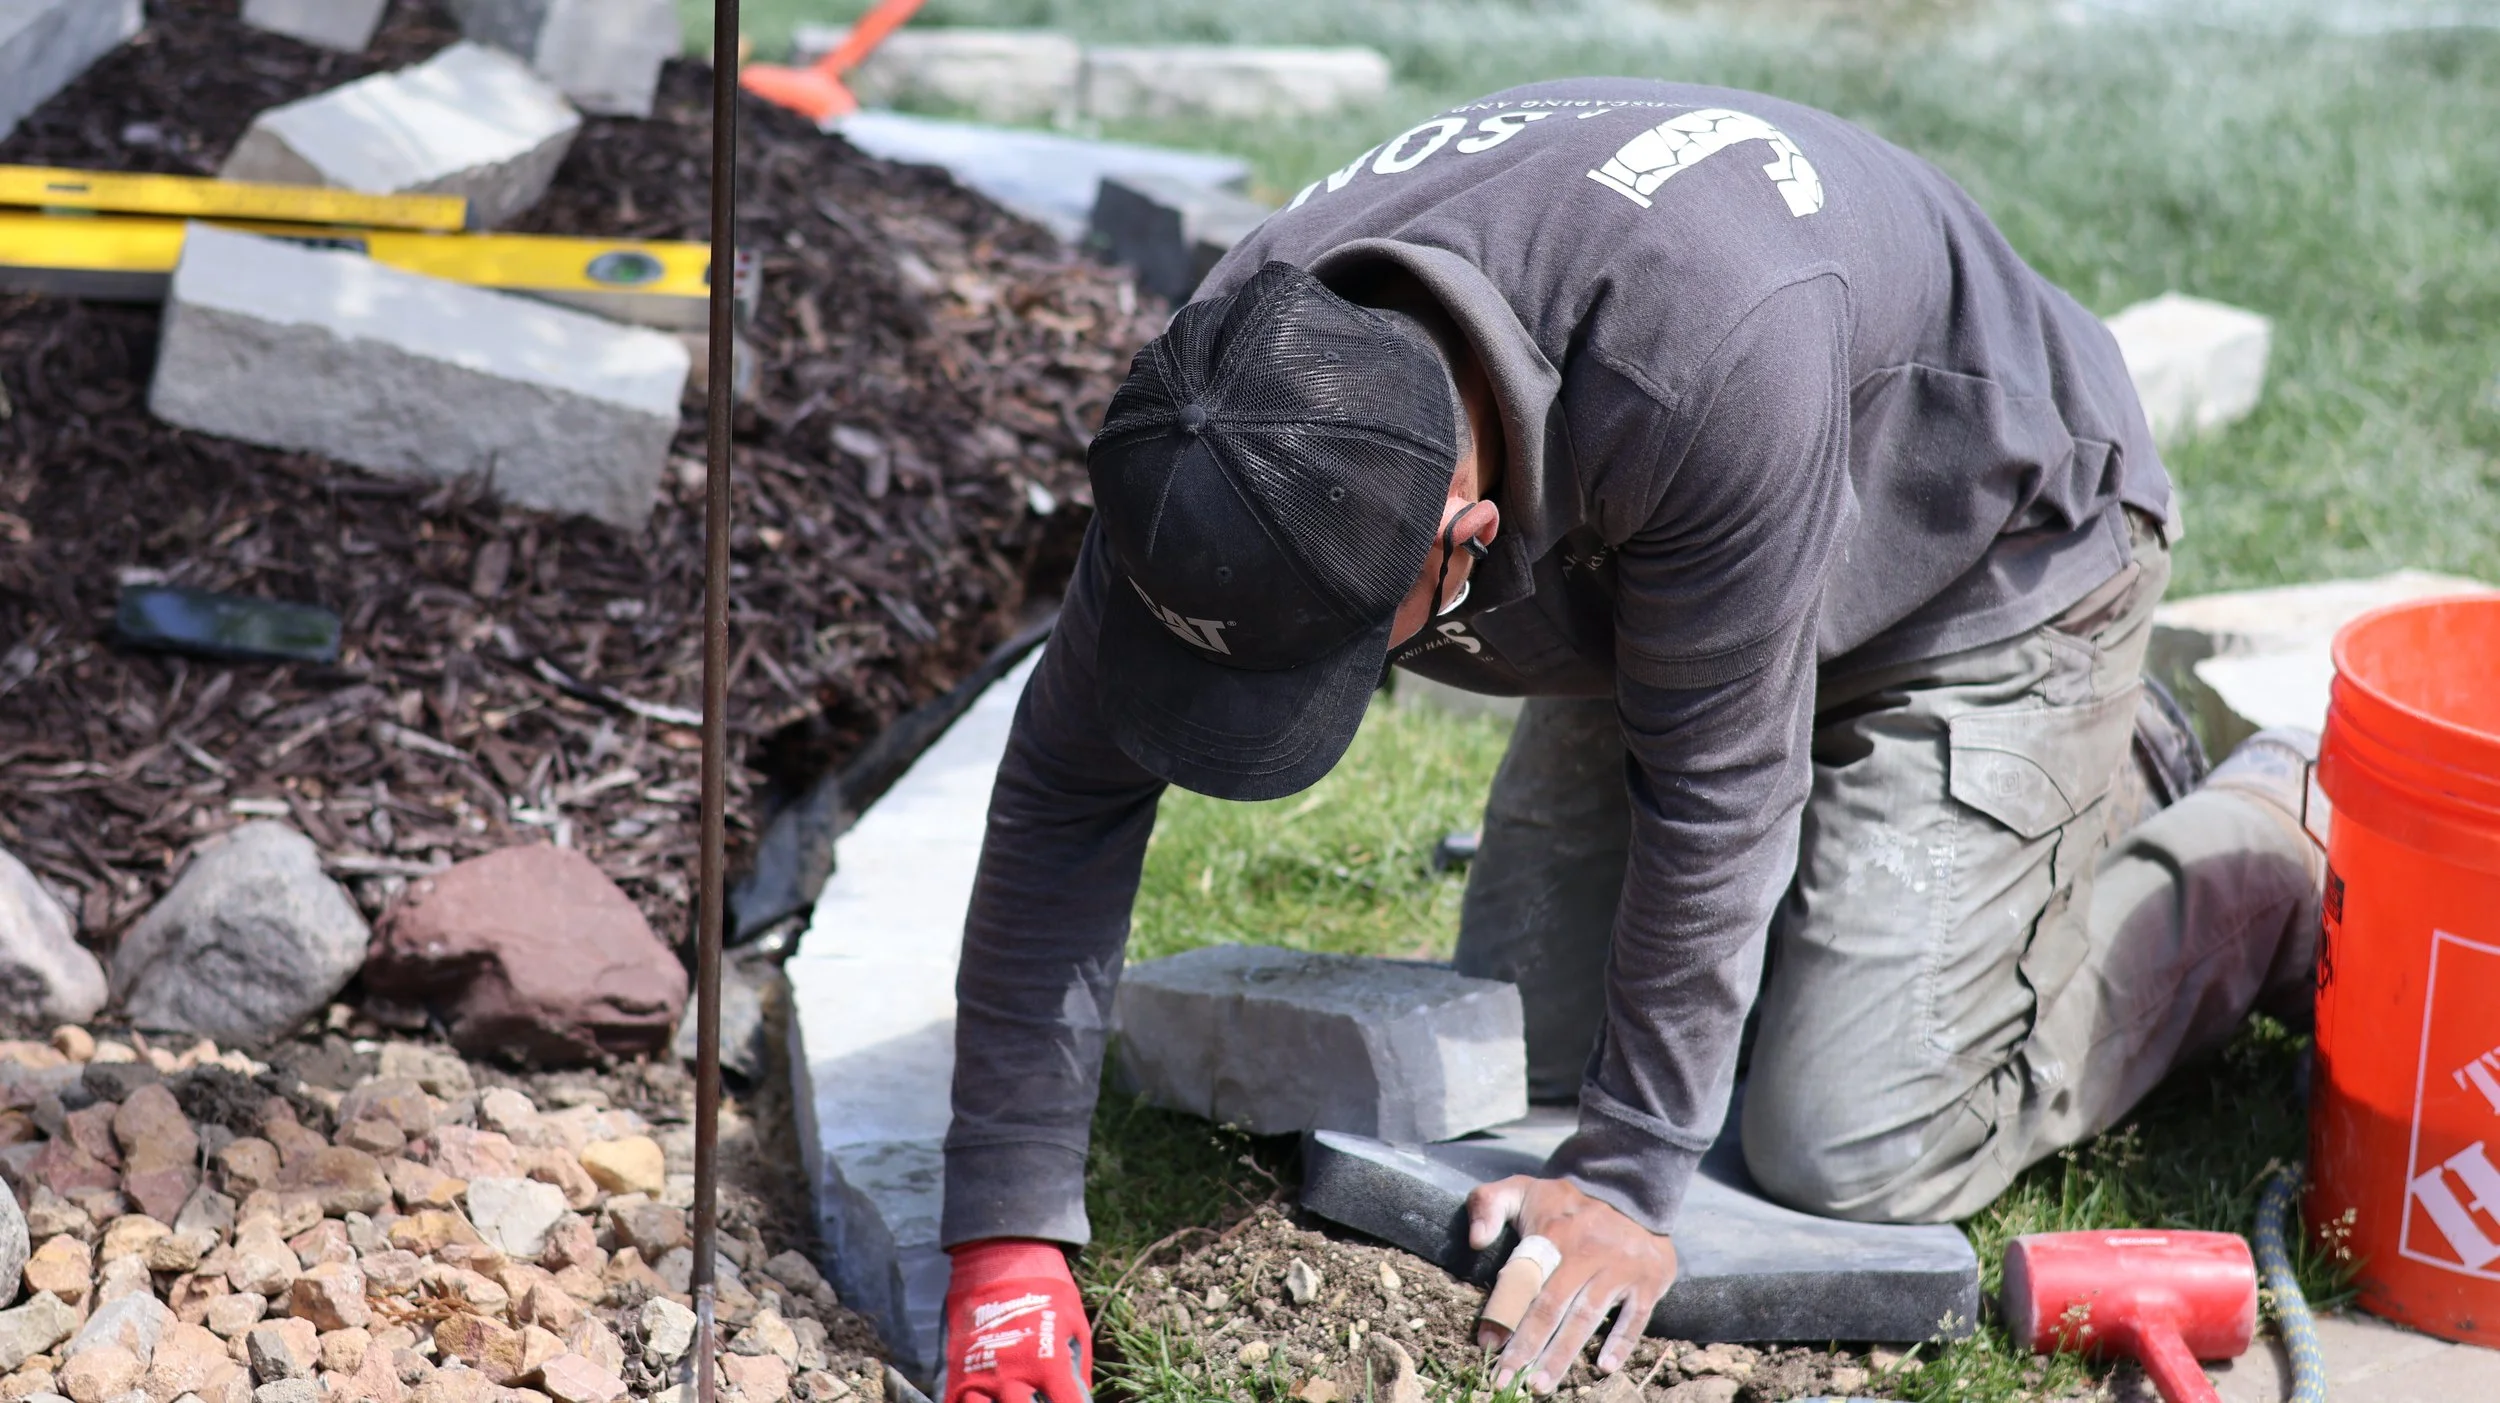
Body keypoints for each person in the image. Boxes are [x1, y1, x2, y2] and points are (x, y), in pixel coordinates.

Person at [932, 78, 2324, 1402]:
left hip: (1989, 551)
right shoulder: (1229, 413)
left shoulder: (1694, 351)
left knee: (1849, 1135)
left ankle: (2241, 830)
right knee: (1528, 1044)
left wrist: (1626, 1178)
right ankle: (1937, 844)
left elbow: (1719, 793)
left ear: (1464, 539)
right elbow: (1068, 781)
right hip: (1668, 567)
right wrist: (1005, 1221)